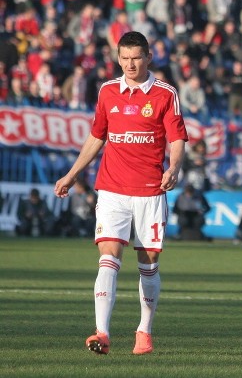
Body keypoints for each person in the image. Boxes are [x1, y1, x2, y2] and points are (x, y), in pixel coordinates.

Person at [54, 31, 188, 356]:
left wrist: (174, 168)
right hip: (112, 189)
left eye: (136, 58)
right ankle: (102, 332)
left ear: (148, 58)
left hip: (149, 192)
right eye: (124, 58)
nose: (130, 64)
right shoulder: (108, 91)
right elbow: (97, 136)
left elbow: (177, 139)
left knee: (149, 263)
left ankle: (144, 330)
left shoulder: (165, 94)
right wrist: (72, 175)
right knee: (108, 256)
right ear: (118, 58)